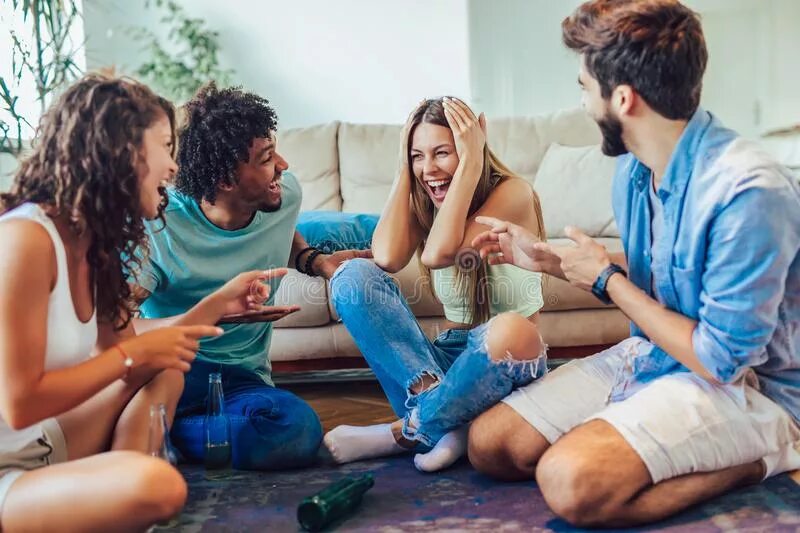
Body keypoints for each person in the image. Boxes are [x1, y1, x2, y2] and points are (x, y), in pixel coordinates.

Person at [468, 0, 800, 527]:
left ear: (623, 98)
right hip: (660, 354)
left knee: (569, 480)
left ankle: (769, 455)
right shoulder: (635, 167)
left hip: (755, 386)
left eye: (584, 87)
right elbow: (663, 272)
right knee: (492, 445)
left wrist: (606, 280)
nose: (582, 102)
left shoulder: (749, 193)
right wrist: (551, 261)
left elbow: (721, 361)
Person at [0, 75, 273, 531]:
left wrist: (217, 304)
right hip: (6, 467)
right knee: (159, 487)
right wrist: (133, 355)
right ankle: (120, 492)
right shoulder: (26, 238)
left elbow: (130, 354)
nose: (174, 166)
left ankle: (119, 489)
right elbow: (20, 404)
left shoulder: (94, 245)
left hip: (42, 442)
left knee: (166, 368)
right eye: (165, 146)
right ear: (122, 154)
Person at [130, 82, 371, 470]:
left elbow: (281, 232)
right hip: (170, 372)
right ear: (226, 180)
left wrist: (314, 260)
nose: (284, 166)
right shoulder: (159, 224)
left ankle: (167, 430)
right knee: (263, 435)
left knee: (295, 431)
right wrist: (214, 314)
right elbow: (118, 331)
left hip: (242, 381)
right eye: (267, 158)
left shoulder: (284, 196)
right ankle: (166, 421)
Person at [324, 97, 549, 472]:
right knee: (352, 276)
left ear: (469, 147)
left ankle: (407, 431)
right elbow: (386, 257)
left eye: (442, 152)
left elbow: (439, 253)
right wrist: (403, 168)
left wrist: (473, 162)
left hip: (504, 365)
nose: (428, 168)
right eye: (418, 155)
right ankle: (444, 414)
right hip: (439, 370)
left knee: (512, 328)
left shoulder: (514, 193)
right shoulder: (426, 203)